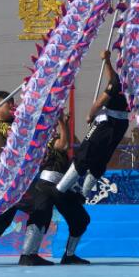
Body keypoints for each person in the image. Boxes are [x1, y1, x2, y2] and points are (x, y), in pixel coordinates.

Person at [0, 91, 90, 266]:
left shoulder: (22, 125)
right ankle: (28, 254)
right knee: (40, 205)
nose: (13, 105)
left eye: (13, 102)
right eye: (8, 103)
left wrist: (61, 123)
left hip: (26, 179)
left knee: (1, 219)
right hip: (11, 181)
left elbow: (59, 146)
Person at [56, 49, 131, 197]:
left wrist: (90, 115)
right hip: (121, 124)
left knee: (85, 152)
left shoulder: (120, 80)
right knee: (101, 159)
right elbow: (113, 80)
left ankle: (60, 189)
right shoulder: (134, 81)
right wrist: (107, 61)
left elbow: (100, 102)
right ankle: (84, 195)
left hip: (107, 122)